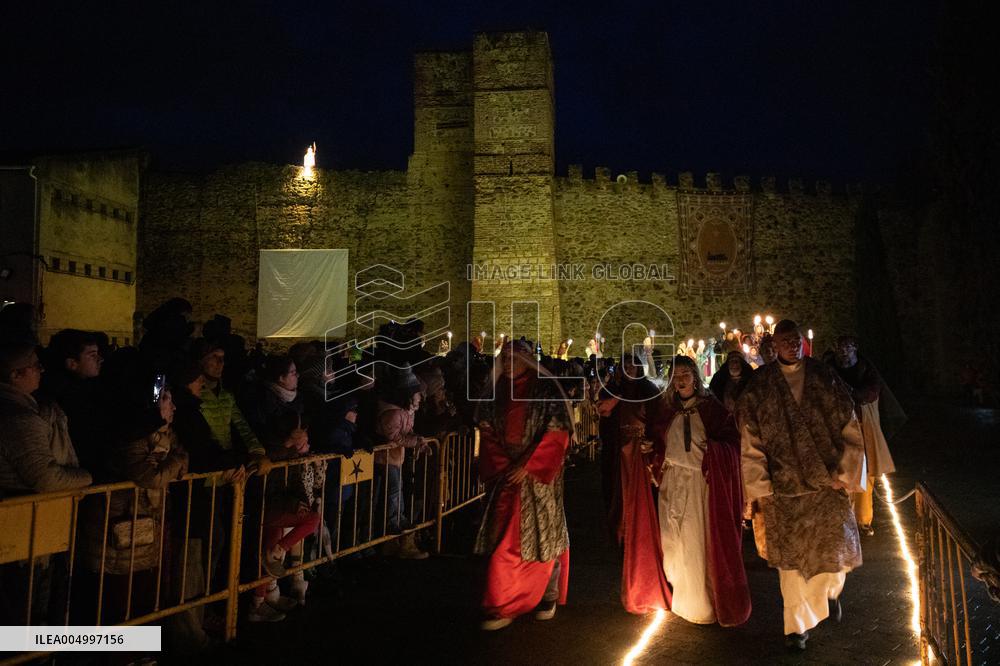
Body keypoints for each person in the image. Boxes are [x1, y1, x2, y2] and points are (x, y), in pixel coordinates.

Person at [738, 320, 865, 650]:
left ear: (802, 342)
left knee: (832, 553)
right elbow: (751, 439)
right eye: (784, 341)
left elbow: (848, 424)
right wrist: (759, 488)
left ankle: (830, 593)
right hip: (783, 491)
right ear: (774, 346)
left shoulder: (825, 377)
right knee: (791, 564)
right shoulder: (761, 386)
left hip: (826, 485)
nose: (791, 346)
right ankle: (796, 629)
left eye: (796, 340)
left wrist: (846, 473)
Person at [475, 340, 573, 630]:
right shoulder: (495, 393)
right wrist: (506, 466)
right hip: (506, 476)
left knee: (545, 535)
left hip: (538, 478)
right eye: (503, 358)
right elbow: (488, 429)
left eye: (513, 358)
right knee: (503, 540)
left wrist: (529, 465)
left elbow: (557, 431)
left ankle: (548, 594)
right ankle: (504, 601)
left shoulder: (546, 390)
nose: (507, 363)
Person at [647, 355, 751, 626]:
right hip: (671, 481)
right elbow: (657, 441)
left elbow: (732, 443)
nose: (680, 379)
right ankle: (679, 597)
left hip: (699, 483)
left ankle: (701, 604)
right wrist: (651, 453)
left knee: (694, 542)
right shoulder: (665, 408)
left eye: (685, 374)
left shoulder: (712, 408)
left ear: (695, 376)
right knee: (672, 541)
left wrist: (713, 452)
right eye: (676, 374)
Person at [596, 353, 670, 614]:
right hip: (618, 455)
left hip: (640, 455)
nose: (630, 369)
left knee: (643, 499)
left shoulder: (650, 390)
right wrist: (614, 404)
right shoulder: (613, 390)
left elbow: (660, 422)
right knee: (618, 497)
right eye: (626, 365)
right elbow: (602, 415)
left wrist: (653, 442)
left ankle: (644, 541)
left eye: (633, 365)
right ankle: (622, 540)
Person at [831, 336, 896, 536]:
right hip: (840, 431)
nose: (844, 351)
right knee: (842, 475)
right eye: (840, 348)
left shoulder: (866, 370)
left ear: (855, 348)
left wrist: (851, 392)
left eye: (848, 347)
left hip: (862, 429)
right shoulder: (830, 369)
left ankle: (863, 520)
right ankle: (844, 518)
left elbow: (870, 392)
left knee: (865, 476)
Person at [375, 364, 432, 559]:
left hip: (397, 456)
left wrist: (418, 441)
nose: (420, 398)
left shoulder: (406, 412)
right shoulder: (392, 413)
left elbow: (405, 434)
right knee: (393, 489)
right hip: (386, 457)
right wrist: (414, 441)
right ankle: (394, 520)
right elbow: (395, 437)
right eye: (417, 394)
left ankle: (399, 518)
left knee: (398, 488)